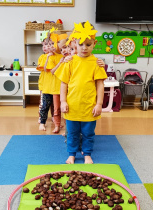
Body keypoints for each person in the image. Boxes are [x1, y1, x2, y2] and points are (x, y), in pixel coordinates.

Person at [54, 21, 107, 164]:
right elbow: (63, 83)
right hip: (72, 106)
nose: (84, 48)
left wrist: (99, 104)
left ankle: (87, 154)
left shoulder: (96, 62)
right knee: (71, 133)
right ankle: (71, 154)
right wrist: (63, 101)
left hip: (89, 106)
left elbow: (100, 85)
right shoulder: (70, 62)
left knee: (89, 133)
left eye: (88, 45)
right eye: (81, 44)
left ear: (94, 43)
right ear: (74, 44)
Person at [45, 33, 68, 133]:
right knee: (56, 108)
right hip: (56, 88)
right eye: (62, 48)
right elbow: (52, 71)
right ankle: (57, 125)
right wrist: (60, 62)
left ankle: (68, 128)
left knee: (68, 109)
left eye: (66, 48)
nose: (64, 50)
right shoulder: (55, 57)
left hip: (68, 89)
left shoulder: (70, 58)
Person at [38, 29, 58, 131]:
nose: (49, 46)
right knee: (45, 105)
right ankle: (42, 122)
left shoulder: (59, 56)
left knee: (55, 107)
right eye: (47, 44)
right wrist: (47, 58)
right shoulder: (43, 56)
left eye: (52, 44)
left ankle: (56, 122)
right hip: (46, 87)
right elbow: (45, 69)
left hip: (56, 87)